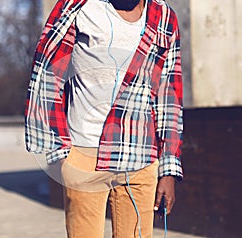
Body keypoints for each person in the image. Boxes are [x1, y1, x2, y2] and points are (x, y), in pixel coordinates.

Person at [25, 0, 183, 237]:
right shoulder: (77, 8)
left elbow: (168, 97)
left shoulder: (163, 17)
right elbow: (48, 75)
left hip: (140, 157)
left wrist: (168, 169)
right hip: (85, 154)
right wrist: (60, 151)